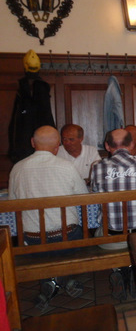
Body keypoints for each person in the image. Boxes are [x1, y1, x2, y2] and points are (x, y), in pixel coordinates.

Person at [8, 125, 88, 310]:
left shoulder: (17, 168)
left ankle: (52, 282)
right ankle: (63, 279)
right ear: (58, 145)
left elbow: (13, 203)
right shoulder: (66, 167)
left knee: (43, 243)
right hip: (67, 238)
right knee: (73, 234)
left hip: (33, 242)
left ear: (32, 143)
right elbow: (84, 197)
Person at [90, 128, 136, 301]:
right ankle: (135, 271)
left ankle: (120, 270)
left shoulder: (97, 167)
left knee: (100, 227)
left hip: (111, 240)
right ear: (131, 144)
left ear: (107, 146)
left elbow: (94, 193)